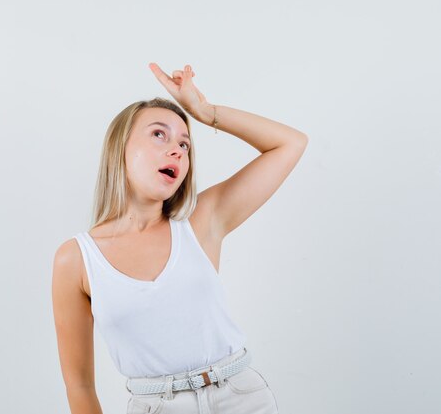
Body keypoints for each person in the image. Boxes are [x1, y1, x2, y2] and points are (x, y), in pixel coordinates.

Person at [52, 62, 308, 414]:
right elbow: (78, 385)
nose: (177, 150)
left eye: (185, 144)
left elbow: (290, 144)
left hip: (240, 398)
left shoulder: (202, 222)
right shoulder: (76, 259)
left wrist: (205, 112)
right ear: (120, 147)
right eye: (159, 134)